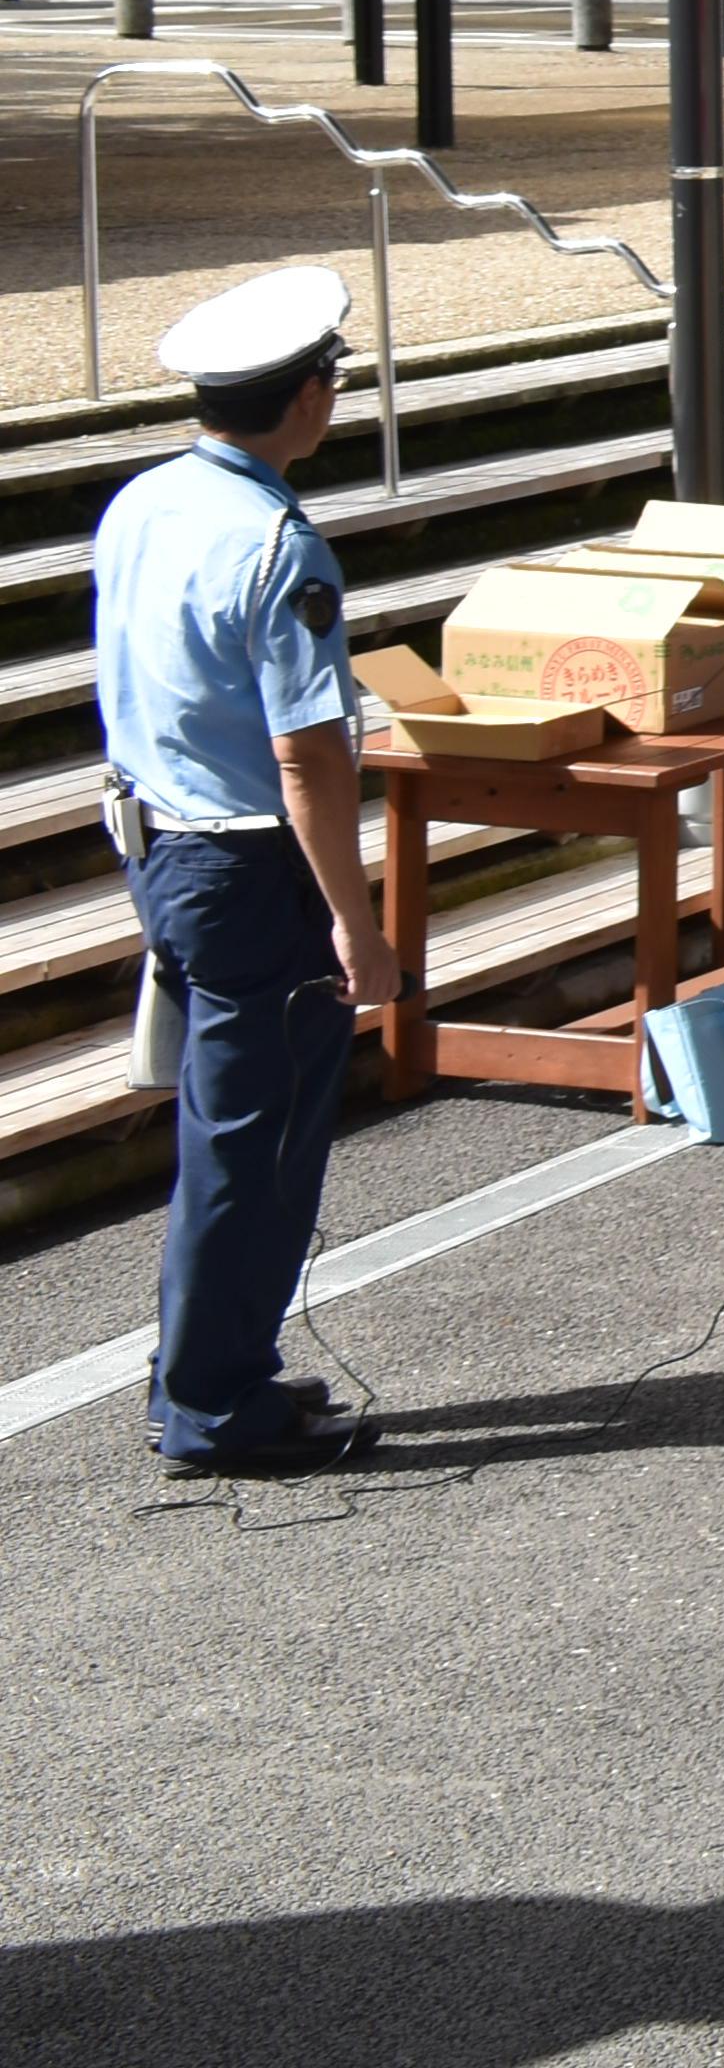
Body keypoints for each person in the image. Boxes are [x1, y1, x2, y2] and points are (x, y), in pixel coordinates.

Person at [90, 270, 393, 1475]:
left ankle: (207, 1370)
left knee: (228, 1130)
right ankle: (216, 1401)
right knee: (256, 1150)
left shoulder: (144, 499)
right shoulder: (280, 543)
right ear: (309, 397)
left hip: (159, 839)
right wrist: (357, 924)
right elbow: (308, 757)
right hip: (251, 862)